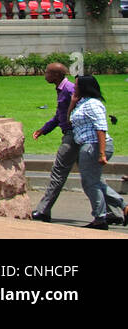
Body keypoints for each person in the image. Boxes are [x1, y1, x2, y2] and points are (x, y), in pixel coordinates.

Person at [69, 75, 126, 228]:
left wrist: (101, 153)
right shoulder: (82, 103)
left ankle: (100, 219)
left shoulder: (93, 104)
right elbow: (69, 122)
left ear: (84, 87)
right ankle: (124, 207)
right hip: (88, 146)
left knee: (90, 183)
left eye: (76, 85)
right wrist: (72, 104)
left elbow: (101, 128)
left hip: (94, 146)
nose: (74, 87)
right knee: (96, 182)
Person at [31, 62, 77, 223]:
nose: (45, 75)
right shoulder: (62, 89)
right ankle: (118, 208)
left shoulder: (69, 89)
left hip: (73, 136)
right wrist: (44, 130)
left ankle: (43, 210)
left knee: (58, 173)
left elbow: (76, 112)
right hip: (71, 134)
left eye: (47, 72)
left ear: (56, 75)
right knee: (90, 177)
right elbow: (60, 116)